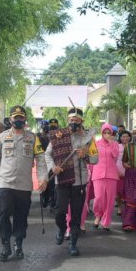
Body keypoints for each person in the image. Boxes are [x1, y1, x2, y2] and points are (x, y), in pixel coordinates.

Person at [0, 106, 47, 261]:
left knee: (21, 215)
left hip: (24, 184)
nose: (18, 120)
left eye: (21, 117)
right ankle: (5, 245)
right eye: (15, 117)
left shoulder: (33, 138)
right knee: (4, 212)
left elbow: (40, 159)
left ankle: (18, 244)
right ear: (10, 119)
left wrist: (43, 178)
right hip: (5, 181)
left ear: (25, 119)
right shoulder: (2, 137)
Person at [45, 108, 97, 256]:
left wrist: (85, 155)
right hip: (62, 180)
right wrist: (52, 167)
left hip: (79, 182)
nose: (73, 122)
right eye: (71, 120)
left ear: (81, 121)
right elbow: (47, 154)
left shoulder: (88, 138)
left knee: (76, 214)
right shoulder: (59, 136)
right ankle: (61, 229)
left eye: (76, 120)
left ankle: (73, 243)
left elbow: (95, 159)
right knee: (59, 212)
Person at [92, 123, 122, 230]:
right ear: (102, 133)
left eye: (109, 133)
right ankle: (98, 215)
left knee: (110, 200)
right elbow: (92, 158)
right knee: (99, 198)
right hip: (98, 174)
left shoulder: (115, 144)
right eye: (105, 132)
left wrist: (110, 143)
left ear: (112, 133)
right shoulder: (96, 143)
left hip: (111, 175)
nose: (107, 134)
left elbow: (115, 155)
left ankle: (106, 221)